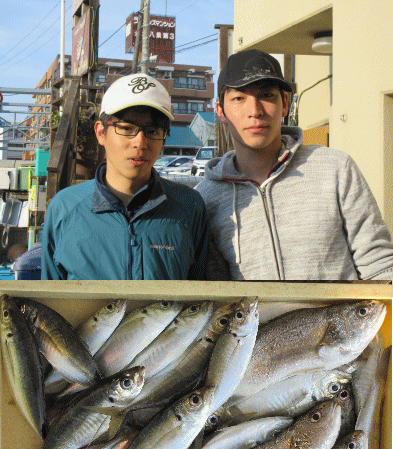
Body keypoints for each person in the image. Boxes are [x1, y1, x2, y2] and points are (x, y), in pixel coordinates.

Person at [196, 49, 393, 281]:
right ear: (221, 111)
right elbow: (216, 294)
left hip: (340, 318)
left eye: (267, 95)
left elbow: (379, 265)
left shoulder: (336, 168)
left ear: (285, 103)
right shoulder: (205, 199)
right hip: (262, 320)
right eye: (239, 98)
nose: (255, 111)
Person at [41, 74, 210, 280]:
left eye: (152, 130)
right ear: (101, 132)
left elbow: (200, 299)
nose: (140, 142)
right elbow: (51, 300)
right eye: (127, 128)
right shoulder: (64, 208)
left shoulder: (189, 207)